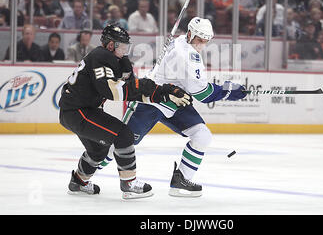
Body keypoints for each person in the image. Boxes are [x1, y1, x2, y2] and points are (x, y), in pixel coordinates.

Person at [99, 17, 246, 197]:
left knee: (202, 136)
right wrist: (230, 90)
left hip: (175, 100)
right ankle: (85, 174)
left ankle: (180, 181)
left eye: (206, 41)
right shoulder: (187, 56)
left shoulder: (181, 41)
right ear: (190, 34)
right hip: (150, 100)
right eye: (200, 39)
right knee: (123, 142)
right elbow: (203, 94)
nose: (202, 44)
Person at [59, 24, 191, 199]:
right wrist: (149, 87)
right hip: (78, 112)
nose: (125, 50)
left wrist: (162, 93)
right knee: (123, 134)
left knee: (98, 151)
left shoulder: (114, 60)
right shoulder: (101, 57)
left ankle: (79, 181)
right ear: (110, 45)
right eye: (122, 45)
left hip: (79, 111)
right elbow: (112, 91)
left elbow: (135, 92)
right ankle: (129, 183)